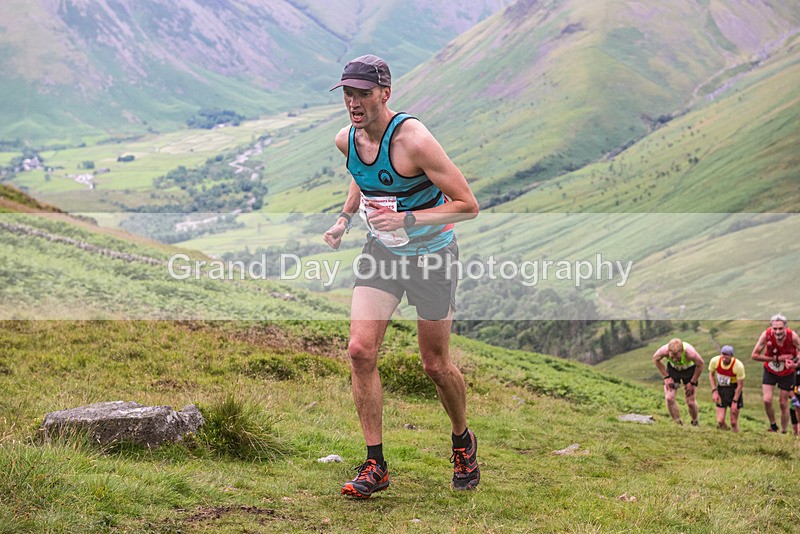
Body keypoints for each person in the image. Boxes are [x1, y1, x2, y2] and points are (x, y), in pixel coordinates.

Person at [323, 54, 480, 498]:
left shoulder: (414, 140)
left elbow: (467, 205)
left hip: (432, 255)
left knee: (434, 364)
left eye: (363, 94)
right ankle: (376, 465)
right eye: (348, 94)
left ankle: (462, 440)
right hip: (382, 255)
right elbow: (362, 174)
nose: (354, 103)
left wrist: (408, 220)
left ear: (385, 94)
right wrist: (344, 218)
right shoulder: (346, 140)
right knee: (359, 351)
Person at [751, 314, 800, 433]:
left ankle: (783, 431)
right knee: (767, 400)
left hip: (787, 372)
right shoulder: (766, 335)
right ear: (771, 327)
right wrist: (777, 359)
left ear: (785, 327)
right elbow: (754, 355)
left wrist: (795, 363)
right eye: (775, 329)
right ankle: (773, 425)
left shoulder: (792, 336)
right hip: (770, 370)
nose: (777, 332)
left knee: (783, 403)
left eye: (780, 328)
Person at [653, 338, 705, 426]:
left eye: (677, 357)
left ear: (682, 351)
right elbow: (655, 359)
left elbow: (701, 365)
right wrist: (666, 377)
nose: (675, 359)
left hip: (689, 371)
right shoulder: (663, 351)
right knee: (669, 398)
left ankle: (695, 422)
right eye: (672, 357)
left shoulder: (690, 353)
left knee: (690, 402)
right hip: (673, 371)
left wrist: (692, 383)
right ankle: (677, 423)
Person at [707, 345, 745, 432]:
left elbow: (740, 385)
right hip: (721, 389)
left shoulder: (738, 366)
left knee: (733, 422)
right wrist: (714, 391)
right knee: (720, 421)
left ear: (731, 356)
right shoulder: (715, 361)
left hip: (734, 390)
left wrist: (735, 401)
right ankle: (727, 433)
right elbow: (711, 375)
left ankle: (735, 436)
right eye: (723, 354)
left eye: (727, 355)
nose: (724, 357)